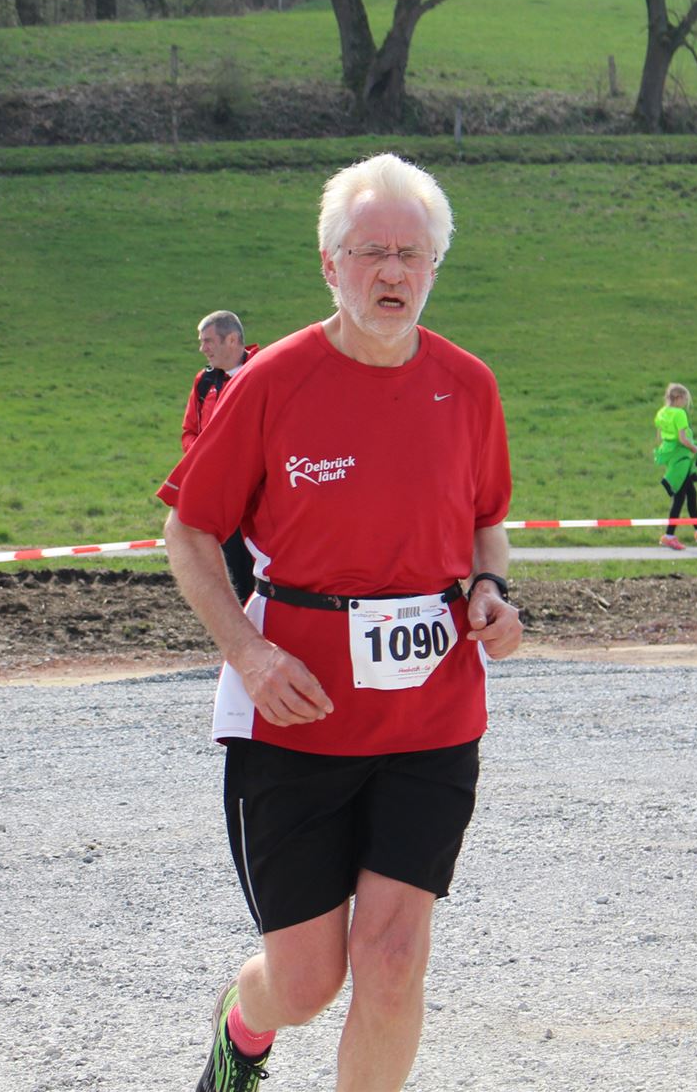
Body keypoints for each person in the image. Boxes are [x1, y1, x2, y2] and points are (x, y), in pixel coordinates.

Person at [157, 153, 523, 1091]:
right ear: (330, 265)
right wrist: (249, 652)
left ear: (435, 264)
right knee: (307, 982)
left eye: (411, 253)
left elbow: (487, 521)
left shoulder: (469, 385)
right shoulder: (271, 382)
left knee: (393, 962)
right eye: (370, 252)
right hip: (298, 715)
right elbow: (187, 532)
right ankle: (242, 1029)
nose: (392, 272)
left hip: (432, 716)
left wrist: (490, 591)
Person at [181, 310, 261, 601]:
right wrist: (205, 460)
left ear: (232, 340)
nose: (203, 348)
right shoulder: (204, 381)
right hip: (222, 496)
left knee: (268, 571)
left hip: (262, 497)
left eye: (208, 341)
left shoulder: (264, 373)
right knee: (234, 573)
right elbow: (190, 431)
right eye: (201, 341)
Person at [652, 383, 697, 551]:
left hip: (672, 456)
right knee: (680, 497)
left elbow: (659, 435)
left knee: (691, 493)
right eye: (685, 399)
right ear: (678, 398)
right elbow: (683, 439)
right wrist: (695, 449)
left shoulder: (662, 412)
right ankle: (669, 536)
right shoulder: (679, 414)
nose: (685, 403)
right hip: (682, 458)